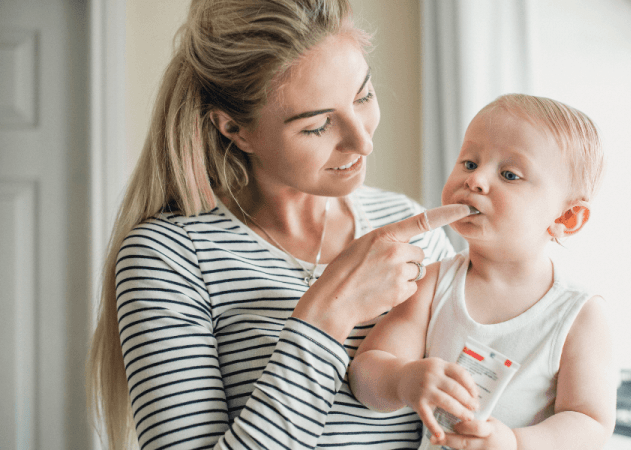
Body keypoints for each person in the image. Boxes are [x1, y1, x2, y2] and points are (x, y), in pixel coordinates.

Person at [85, 0, 474, 448]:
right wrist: (330, 312)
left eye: (363, 96)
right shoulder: (168, 257)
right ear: (236, 129)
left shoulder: (408, 226)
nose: (363, 142)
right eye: (317, 126)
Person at [348, 94, 618, 449]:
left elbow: (591, 423)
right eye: (470, 162)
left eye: (509, 174)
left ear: (566, 218)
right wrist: (403, 379)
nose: (475, 181)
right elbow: (365, 373)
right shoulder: (432, 283)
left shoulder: (579, 314)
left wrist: (515, 443)